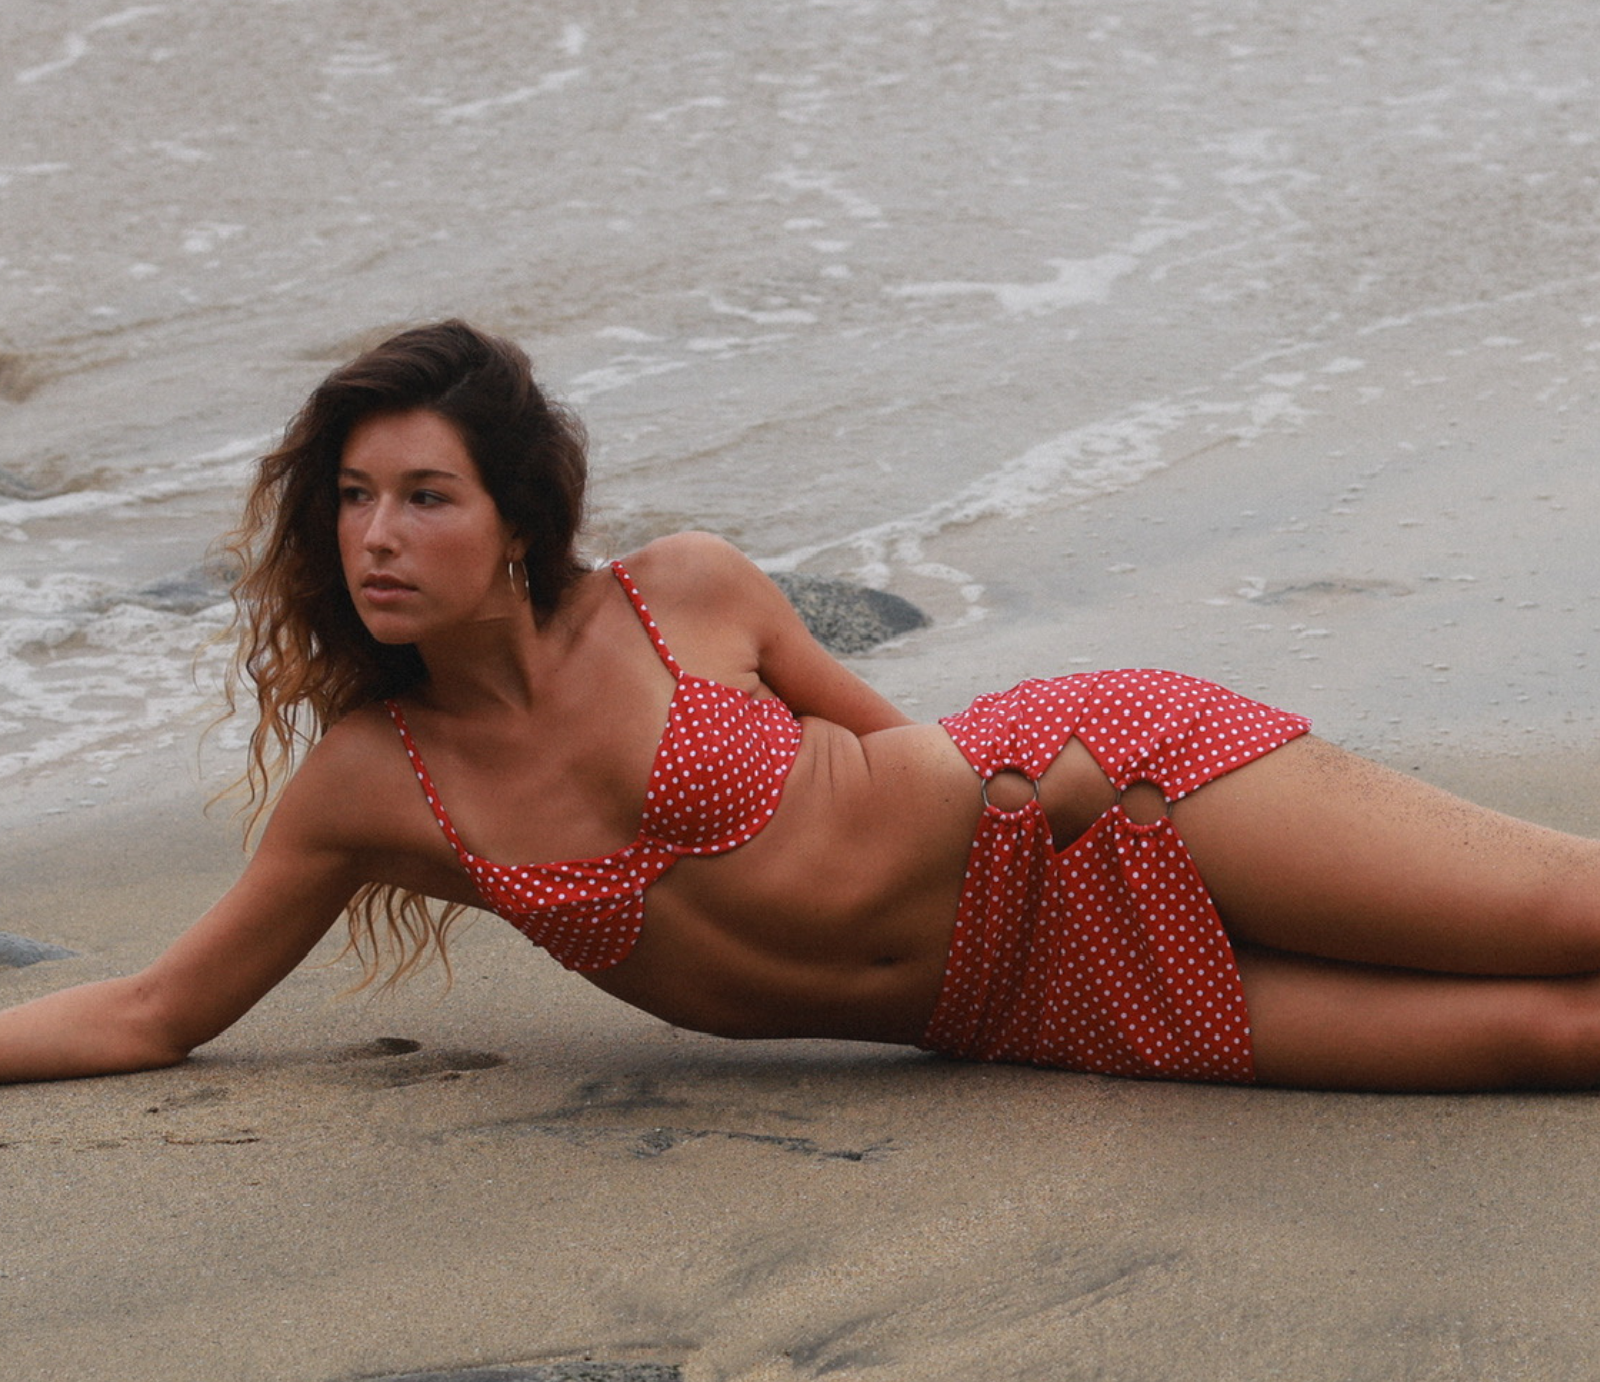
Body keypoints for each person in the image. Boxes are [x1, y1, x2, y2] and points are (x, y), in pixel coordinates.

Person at [5, 320, 1600, 1094]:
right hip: (1024, 1011)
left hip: (1104, 799)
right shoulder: (377, 785)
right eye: (353, 499)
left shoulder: (682, 592)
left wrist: (1034, 791)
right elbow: (155, 1012)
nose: (374, 537)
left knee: (1568, 915)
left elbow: (909, 752)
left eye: (425, 496)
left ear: (518, 523)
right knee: (1551, 1041)